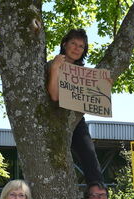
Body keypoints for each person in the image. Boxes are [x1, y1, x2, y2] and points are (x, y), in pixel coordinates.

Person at [46, 28, 103, 184]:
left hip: (77, 121)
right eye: (73, 43)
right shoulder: (52, 65)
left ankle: (98, 192)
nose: (77, 48)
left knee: (90, 159)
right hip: (54, 118)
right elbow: (54, 96)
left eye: (81, 46)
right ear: (65, 44)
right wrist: (55, 68)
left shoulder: (83, 72)